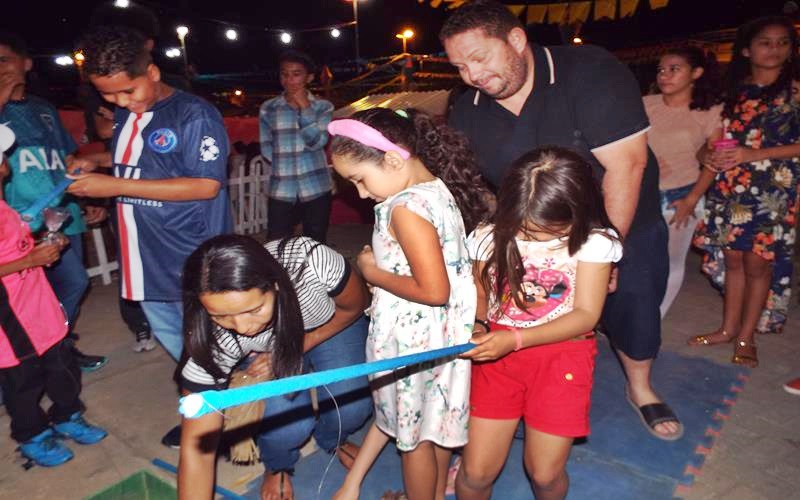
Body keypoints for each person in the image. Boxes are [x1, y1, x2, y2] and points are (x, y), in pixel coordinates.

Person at [442, 0, 680, 440]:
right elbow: (480, 190)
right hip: (532, 236)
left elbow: (627, 165)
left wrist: (609, 253)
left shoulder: (589, 71)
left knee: (634, 304)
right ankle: (524, 389)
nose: (472, 75)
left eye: (479, 58)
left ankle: (640, 386)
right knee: (527, 310)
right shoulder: (468, 108)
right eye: (460, 67)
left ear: (516, 40)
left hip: (620, 219)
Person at [328, 108, 491, 500]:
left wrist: (372, 272)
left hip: (411, 342)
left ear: (392, 159)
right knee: (433, 431)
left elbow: (434, 290)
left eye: (360, 180)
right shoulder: (436, 191)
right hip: (441, 337)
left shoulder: (404, 208)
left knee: (412, 441)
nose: (361, 194)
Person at [456, 146, 623, 500]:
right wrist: (478, 325)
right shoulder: (488, 236)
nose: (528, 238)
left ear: (578, 213)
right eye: (522, 227)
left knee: (545, 474)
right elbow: (480, 295)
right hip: (497, 356)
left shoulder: (594, 243)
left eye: (544, 232)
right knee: (475, 473)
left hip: (562, 356)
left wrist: (515, 339)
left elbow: (585, 315)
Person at [67, 25, 233, 363]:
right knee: (178, 346)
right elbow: (142, 157)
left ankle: (227, 395)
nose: (120, 102)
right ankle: (200, 393)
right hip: (143, 256)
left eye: (128, 91)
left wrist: (115, 186)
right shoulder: (128, 112)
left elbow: (206, 185)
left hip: (189, 252)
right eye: (108, 95)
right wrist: (96, 161)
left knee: (214, 347)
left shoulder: (194, 115)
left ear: (153, 72)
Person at [177, 234, 373, 500]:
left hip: (331, 324)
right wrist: (277, 349)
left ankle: (333, 438)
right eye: (220, 316)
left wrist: (295, 347)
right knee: (287, 427)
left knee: (353, 407)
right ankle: (278, 464)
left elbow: (355, 306)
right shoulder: (212, 339)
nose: (242, 328)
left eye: (254, 309)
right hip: (267, 348)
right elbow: (197, 450)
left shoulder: (312, 263)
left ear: (276, 284)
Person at [690, 16, 800, 365]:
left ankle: (745, 336)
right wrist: (705, 154)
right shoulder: (731, 92)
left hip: (773, 189)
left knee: (757, 263)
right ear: (747, 50)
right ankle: (727, 329)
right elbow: (709, 140)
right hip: (730, 185)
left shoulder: (796, 91)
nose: (775, 49)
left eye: (783, 42)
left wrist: (755, 154)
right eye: (766, 42)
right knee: (733, 259)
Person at [0, 122, 107, 468]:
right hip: (9, 317)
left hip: (38, 303)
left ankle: (67, 415)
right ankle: (31, 435)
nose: (5, 162)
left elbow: (15, 246)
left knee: (62, 364)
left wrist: (45, 246)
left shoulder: (3, 206)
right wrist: (30, 260)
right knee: (23, 380)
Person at [0, 31, 107, 372]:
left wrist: (85, 197)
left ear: (27, 64)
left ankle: (57, 347)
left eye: (4, 60)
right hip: (16, 221)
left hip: (60, 213)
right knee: (23, 295)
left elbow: (66, 159)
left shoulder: (44, 108)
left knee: (74, 283)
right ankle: (32, 358)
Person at [644, 46, 723, 317]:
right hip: (641, 192)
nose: (664, 75)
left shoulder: (709, 111)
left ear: (696, 73)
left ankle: (655, 319)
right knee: (636, 259)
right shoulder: (646, 104)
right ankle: (633, 317)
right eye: (661, 70)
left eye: (674, 69)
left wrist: (691, 199)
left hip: (681, 194)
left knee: (670, 262)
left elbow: (716, 158)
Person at [259, 50, 334, 243]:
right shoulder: (269, 108)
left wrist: (305, 108)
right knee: (276, 242)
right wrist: (285, 165)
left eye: (296, 74)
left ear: (309, 77)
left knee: (315, 242)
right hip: (282, 187)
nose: (289, 79)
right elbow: (266, 146)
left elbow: (318, 142)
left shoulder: (323, 107)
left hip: (316, 185)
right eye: (284, 74)